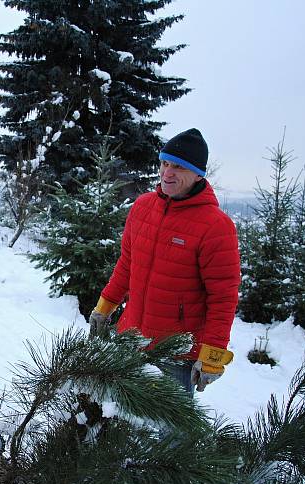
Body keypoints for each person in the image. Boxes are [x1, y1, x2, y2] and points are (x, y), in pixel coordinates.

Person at [89, 128, 240, 395]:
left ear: (197, 174)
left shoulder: (216, 226)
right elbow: (127, 263)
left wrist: (213, 355)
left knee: (171, 435)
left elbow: (223, 297)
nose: (167, 173)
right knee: (120, 420)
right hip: (130, 339)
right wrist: (105, 305)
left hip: (176, 353)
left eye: (179, 167)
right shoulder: (142, 207)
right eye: (165, 163)